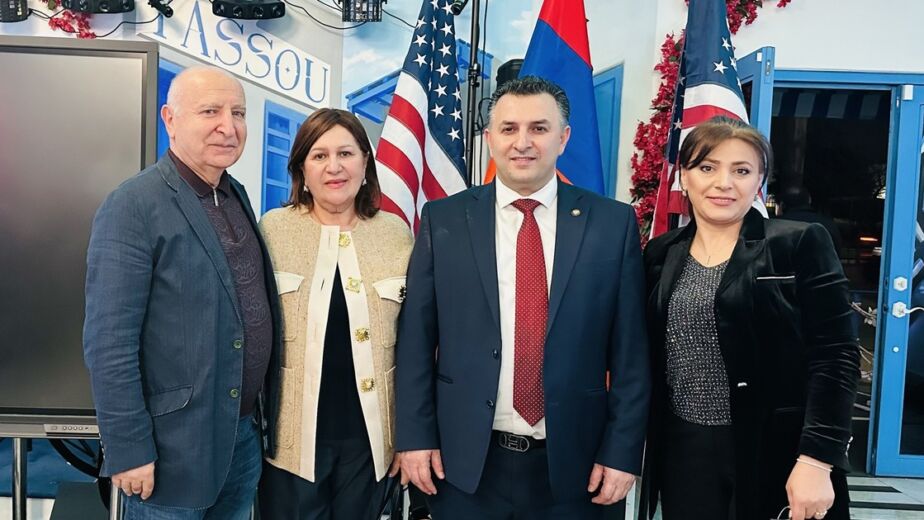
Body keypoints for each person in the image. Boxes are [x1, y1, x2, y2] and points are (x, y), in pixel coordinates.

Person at [395, 76, 651, 519]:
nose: (523, 142)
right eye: (509, 128)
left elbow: (631, 353)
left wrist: (623, 451)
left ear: (563, 138)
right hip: (466, 464)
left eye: (539, 128)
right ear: (490, 138)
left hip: (579, 467)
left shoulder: (612, 223)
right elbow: (417, 338)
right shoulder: (443, 219)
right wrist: (415, 437)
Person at [83, 66, 281, 519]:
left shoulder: (235, 195)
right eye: (210, 111)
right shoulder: (133, 205)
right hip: (170, 451)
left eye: (238, 113)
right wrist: (129, 449)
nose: (228, 126)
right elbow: (108, 342)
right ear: (170, 120)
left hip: (241, 440)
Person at [640, 116, 859, 520]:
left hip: (777, 451)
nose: (723, 183)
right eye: (707, 167)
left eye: (741, 171)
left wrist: (817, 458)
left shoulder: (797, 243)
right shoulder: (660, 253)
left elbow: (836, 357)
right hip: (683, 451)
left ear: (759, 180)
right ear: (684, 177)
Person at [258, 108, 413, 519]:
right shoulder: (272, 230)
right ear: (302, 170)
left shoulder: (397, 234)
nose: (334, 167)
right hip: (290, 445)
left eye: (345, 153)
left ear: (365, 163)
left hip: (372, 444)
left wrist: (409, 436)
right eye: (319, 155)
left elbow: (417, 343)